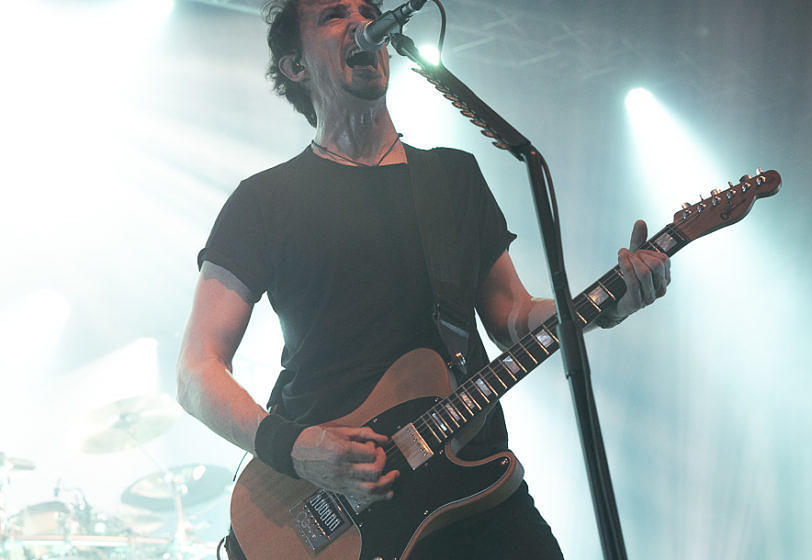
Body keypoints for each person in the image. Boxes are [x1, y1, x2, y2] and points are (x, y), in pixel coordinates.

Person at [175, 0, 672, 558]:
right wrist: (293, 448)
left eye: (368, 9)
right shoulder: (264, 201)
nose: (362, 22)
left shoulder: (452, 176)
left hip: (471, 481)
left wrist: (607, 304)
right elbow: (196, 370)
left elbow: (511, 316)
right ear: (295, 67)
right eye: (334, 15)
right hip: (332, 499)